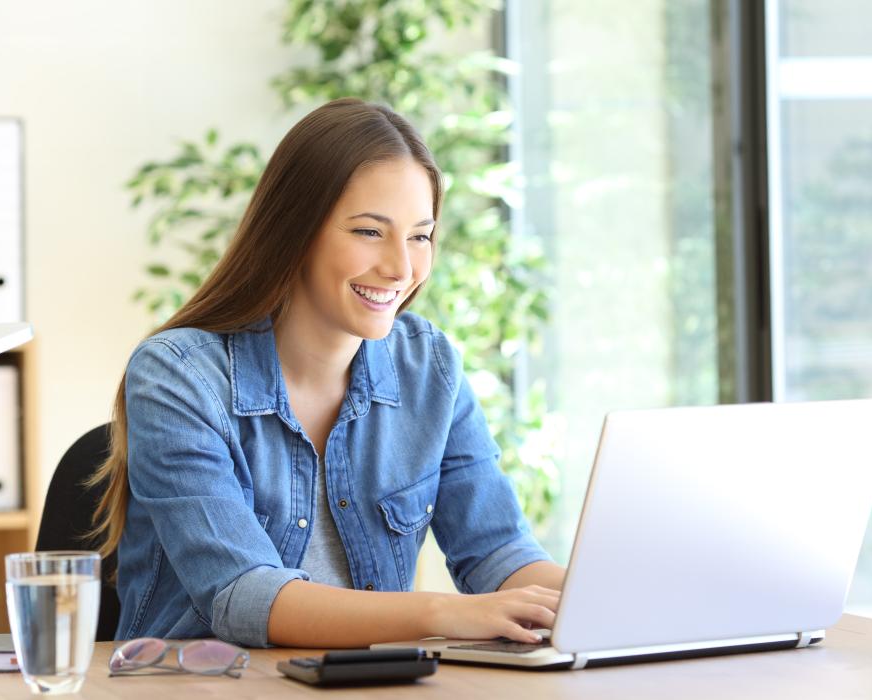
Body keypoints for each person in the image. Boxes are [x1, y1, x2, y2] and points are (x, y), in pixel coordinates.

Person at [89, 97, 565, 649]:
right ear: (297, 229)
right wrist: (445, 614)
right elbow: (241, 594)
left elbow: (498, 553)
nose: (402, 268)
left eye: (420, 235)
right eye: (369, 232)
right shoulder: (178, 377)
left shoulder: (427, 367)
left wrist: (594, 597)